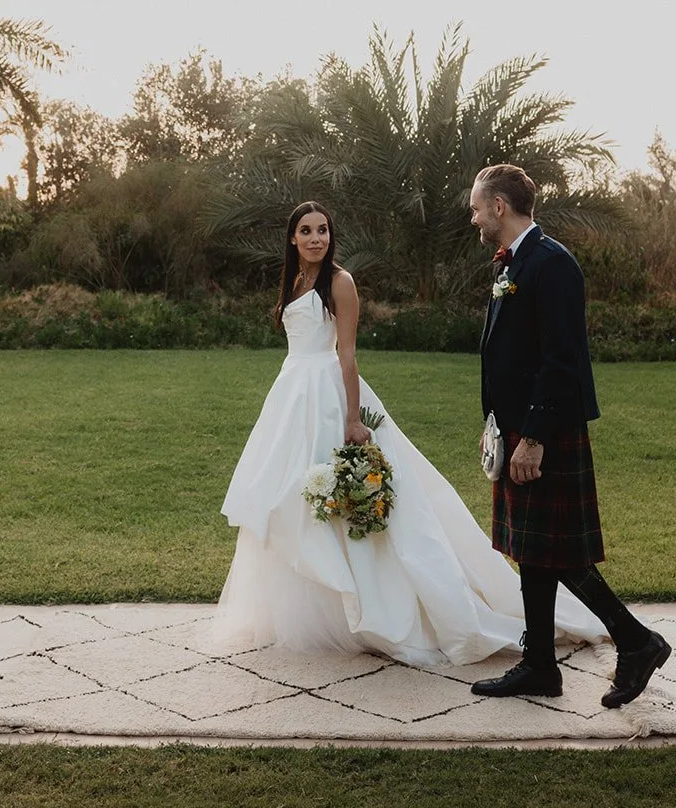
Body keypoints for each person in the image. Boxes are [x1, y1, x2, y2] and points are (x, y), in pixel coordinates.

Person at [210, 200, 606, 667]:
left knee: (350, 498)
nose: (316, 238)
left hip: (330, 395)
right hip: (290, 398)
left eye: (323, 230)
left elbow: (348, 355)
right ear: (292, 238)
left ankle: (387, 606)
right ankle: (314, 614)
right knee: (288, 499)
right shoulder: (293, 282)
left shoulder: (339, 282)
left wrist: (353, 419)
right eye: (306, 230)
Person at [468, 164, 671, 704]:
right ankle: (540, 666)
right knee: (534, 552)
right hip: (517, 426)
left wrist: (533, 436)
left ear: (499, 208)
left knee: (556, 552)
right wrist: (501, 429)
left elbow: (561, 361)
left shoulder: (552, 264)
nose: (473, 216)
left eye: (476, 206)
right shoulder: (516, 261)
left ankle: (636, 642)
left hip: (546, 427)